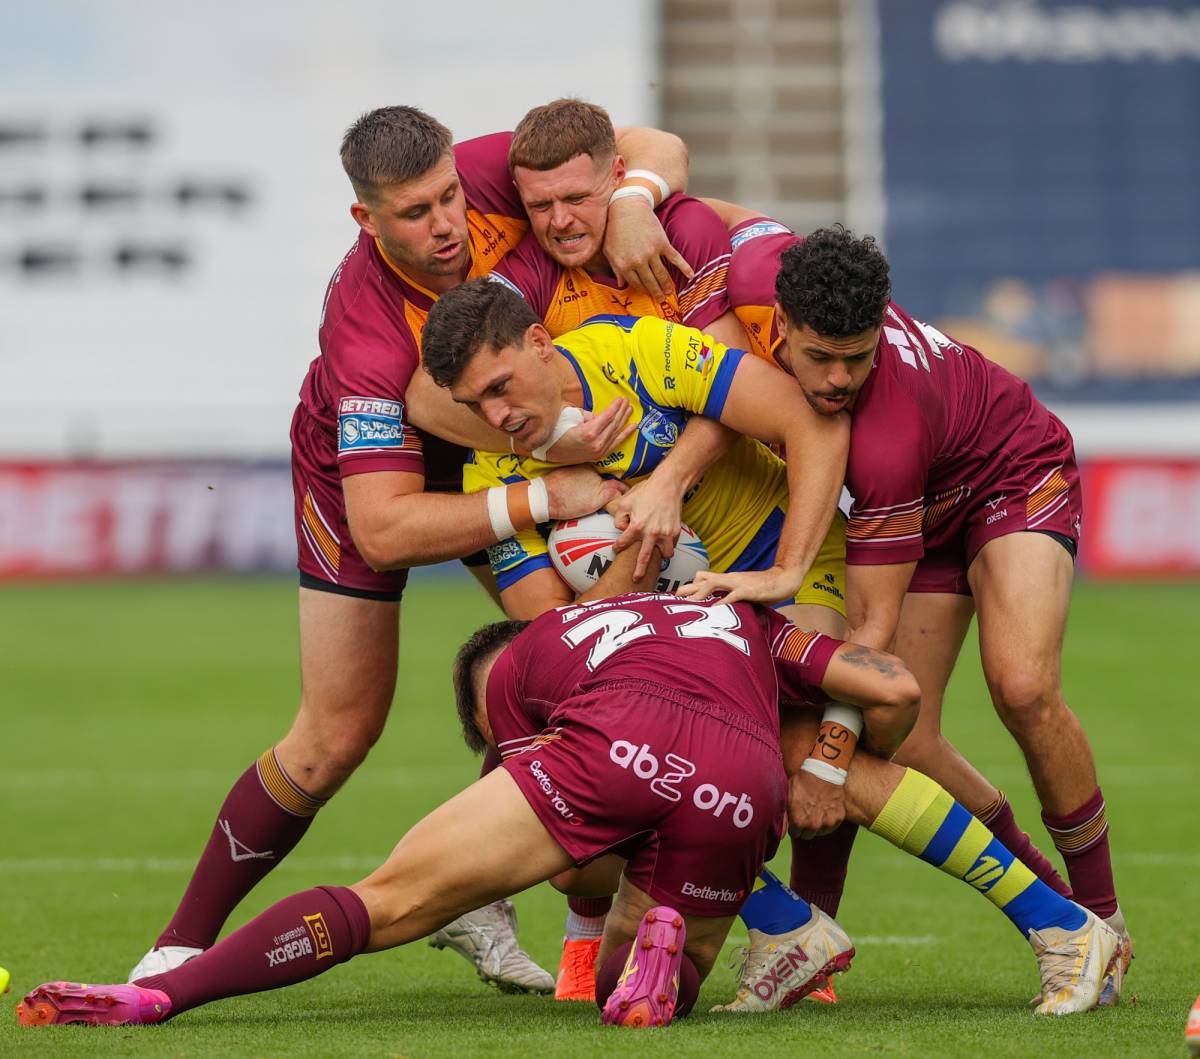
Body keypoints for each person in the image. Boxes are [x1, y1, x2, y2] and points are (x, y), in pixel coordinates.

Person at [126, 104, 692, 994]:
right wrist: (550, 491)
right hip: (377, 476)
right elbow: (385, 529)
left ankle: (493, 896)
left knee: (575, 660)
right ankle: (176, 946)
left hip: (503, 438)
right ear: (365, 218)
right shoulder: (364, 324)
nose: (445, 226)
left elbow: (651, 147)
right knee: (337, 733)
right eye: (415, 213)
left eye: (448, 198)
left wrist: (633, 199)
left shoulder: (488, 171)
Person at [17, 592, 1121, 1030]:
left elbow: (563, 856)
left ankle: (166, 993)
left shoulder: (516, 672)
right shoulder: (732, 613)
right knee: (684, 944)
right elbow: (892, 688)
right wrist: (826, 762)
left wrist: (534, 878)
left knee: (387, 901)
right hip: (747, 774)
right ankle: (719, 935)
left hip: (616, 752)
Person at [683, 218, 1129, 1006]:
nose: (838, 380)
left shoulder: (884, 435)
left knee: (1022, 686)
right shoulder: (755, 268)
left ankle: (1099, 919)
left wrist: (825, 766)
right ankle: (813, 947)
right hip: (928, 504)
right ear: (779, 320)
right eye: (819, 357)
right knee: (905, 742)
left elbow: (871, 639)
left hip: (1010, 473)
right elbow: (712, 210)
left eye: (857, 358)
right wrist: (635, 197)